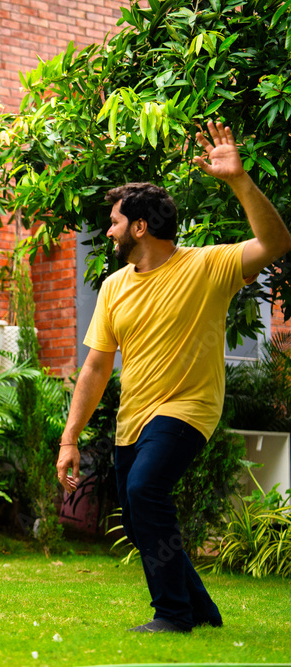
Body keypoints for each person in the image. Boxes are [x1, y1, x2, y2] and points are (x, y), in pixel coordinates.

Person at [56, 120, 291, 633]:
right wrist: (69, 437)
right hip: (133, 418)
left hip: (187, 408)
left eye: (116, 221)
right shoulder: (115, 286)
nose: (110, 230)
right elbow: (96, 365)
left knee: (144, 491)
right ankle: (202, 609)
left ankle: (172, 613)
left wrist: (240, 182)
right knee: (142, 521)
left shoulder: (209, 266)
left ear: (140, 226)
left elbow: (275, 243)